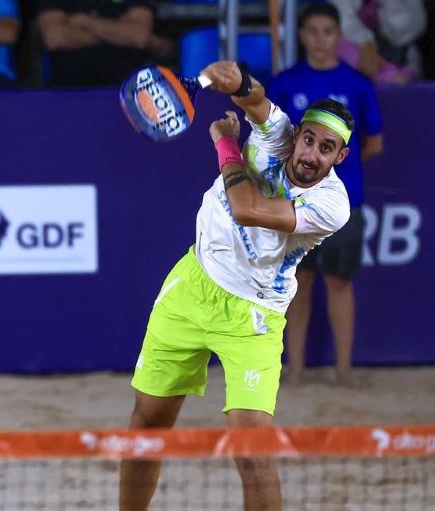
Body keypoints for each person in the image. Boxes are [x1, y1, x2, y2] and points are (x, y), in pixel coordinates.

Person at [119, 61, 354, 511]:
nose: (311, 155)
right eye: (309, 140)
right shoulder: (276, 135)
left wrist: (226, 142)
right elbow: (256, 100)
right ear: (298, 133)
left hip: (254, 318)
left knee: (253, 453)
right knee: (147, 428)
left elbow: (246, 208)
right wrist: (236, 81)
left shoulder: (332, 204)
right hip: (191, 287)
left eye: (327, 149)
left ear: (339, 157)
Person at [269, 2, 383, 386]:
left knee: (339, 283)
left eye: (328, 31)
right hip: (296, 203)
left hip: (344, 204)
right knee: (297, 283)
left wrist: (333, 174)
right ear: (301, 36)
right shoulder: (284, 83)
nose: (320, 39)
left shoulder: (357, 84)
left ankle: (344, 371)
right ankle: (295, 370)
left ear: (340, 36)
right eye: (312, 31)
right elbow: (275, 142)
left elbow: (375, 143)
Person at [37, 0, 155, 88]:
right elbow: (54, 38)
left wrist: (85, 21)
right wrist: (117, 28)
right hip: (68, 90)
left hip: (126, 92)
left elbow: (139, 37)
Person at [329, 0, 427, 83]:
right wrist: (366, 44)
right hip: (356, 54)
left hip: (399, 58)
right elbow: (342, 22)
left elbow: (406, 33)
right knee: (336, 45)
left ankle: (390, 76)